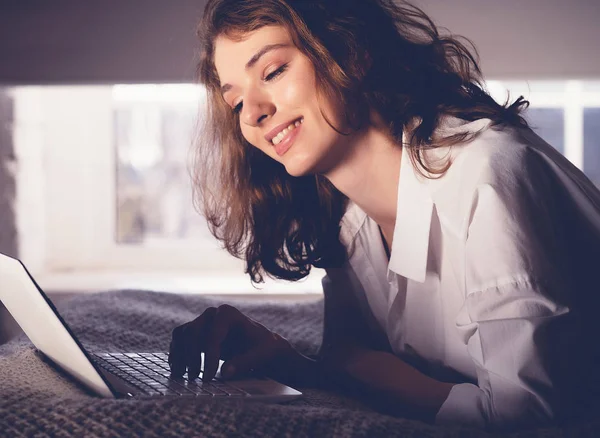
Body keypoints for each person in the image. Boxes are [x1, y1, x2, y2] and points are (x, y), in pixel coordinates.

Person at [168, 0, 600, 431]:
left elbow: (526, 419)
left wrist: (353, 367)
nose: (254, 112)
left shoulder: (489, 175)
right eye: (237, 102)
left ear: (349, 50)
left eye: (273, 71)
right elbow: (350, 361)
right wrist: (289, 361)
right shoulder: (346, 216)